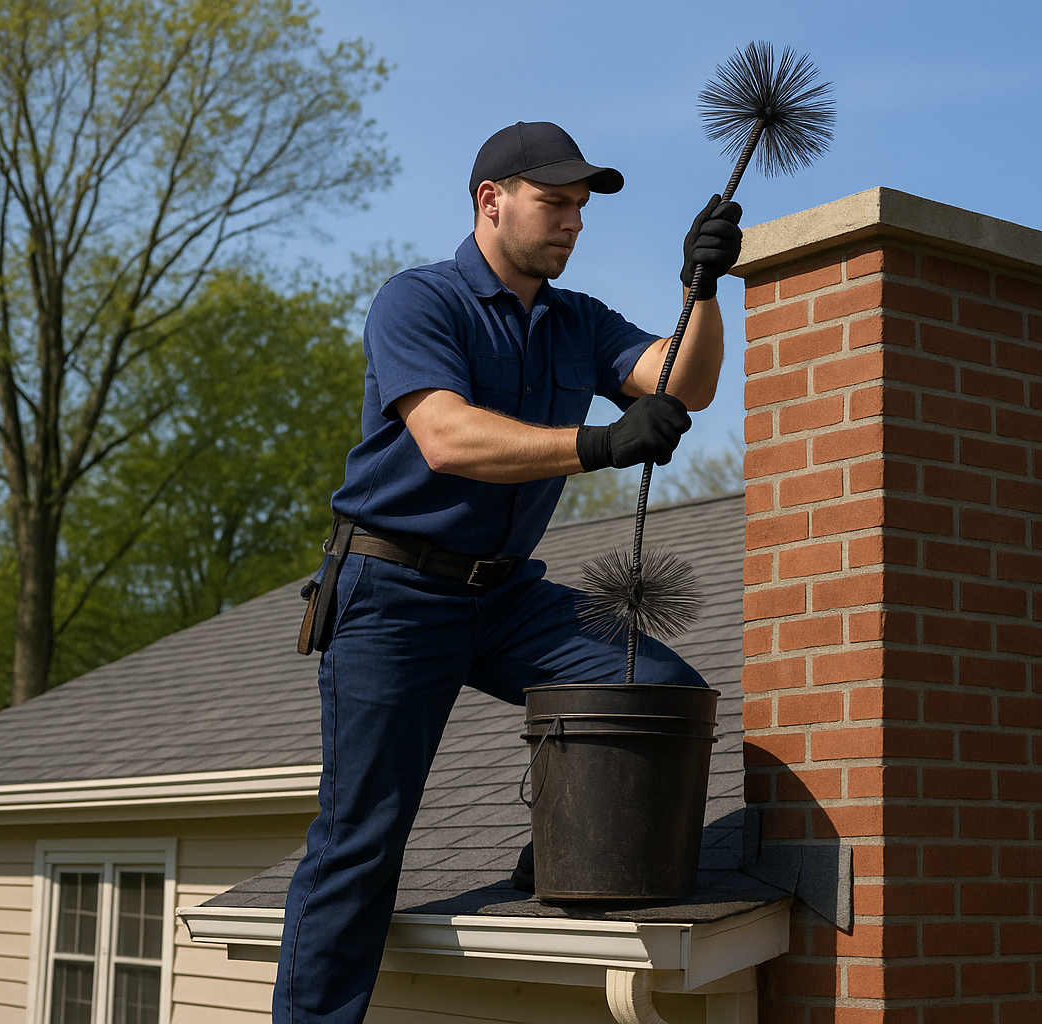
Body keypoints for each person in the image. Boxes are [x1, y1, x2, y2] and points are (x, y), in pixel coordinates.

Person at [275, 121, 743, 1024]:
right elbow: (446, 438)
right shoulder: (418, 301)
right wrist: (601, 442)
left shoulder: (578, 321)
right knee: (361, 841)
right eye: (555, 203)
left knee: (656, 695)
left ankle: (561, 863)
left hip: (505, 593)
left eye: (581, 209)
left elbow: (685, 382)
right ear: (492, 201)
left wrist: (704, 287)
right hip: (393, 591)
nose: (573, 223)